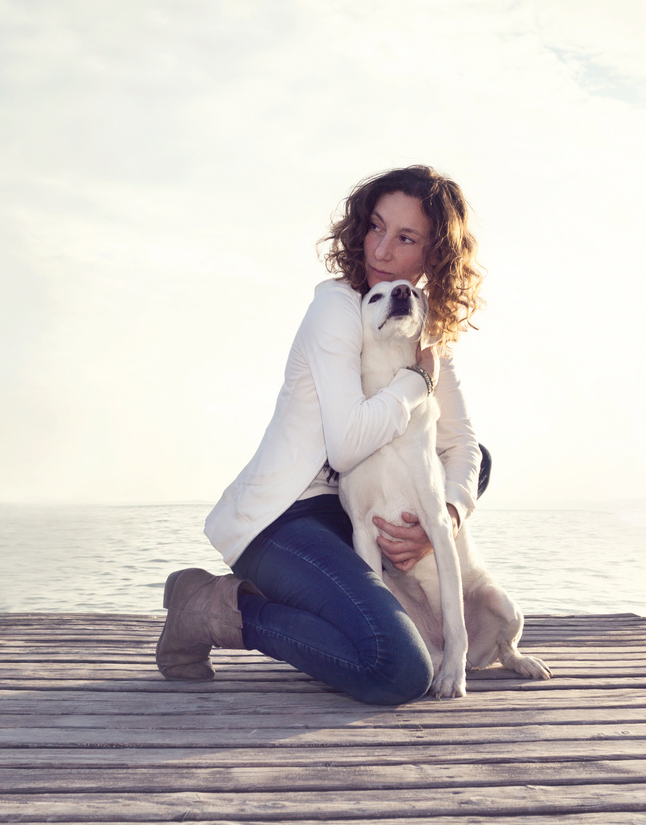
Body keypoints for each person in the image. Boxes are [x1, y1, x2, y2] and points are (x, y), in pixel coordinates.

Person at [154, 165, 486, 706]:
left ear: (434, 256)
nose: (380, 251)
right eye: (375, 228)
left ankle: (309, 599)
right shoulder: (338, 308)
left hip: (349, 518)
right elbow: (348, 445)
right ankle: (211, 608)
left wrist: (442, 519)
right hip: (284, 518)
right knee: (398, 670)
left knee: (479, 467)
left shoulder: (425, 329)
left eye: (405, 239)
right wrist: (415, 383)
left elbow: (464, 445)